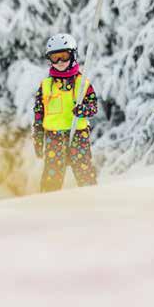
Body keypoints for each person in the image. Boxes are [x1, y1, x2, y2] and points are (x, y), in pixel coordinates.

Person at [32, 34, 98, 192]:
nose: (60, 62)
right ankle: (48, 205)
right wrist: (38, 136)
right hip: (54, 137)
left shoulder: (82, 83)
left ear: (73, 55)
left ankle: (93, 200)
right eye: (55, 58)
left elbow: (93, 106)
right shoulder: (46, 85)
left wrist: (83, 110)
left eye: (64, 56)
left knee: (84, 171)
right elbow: (39, 113)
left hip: (78, 135)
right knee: (52, 175)